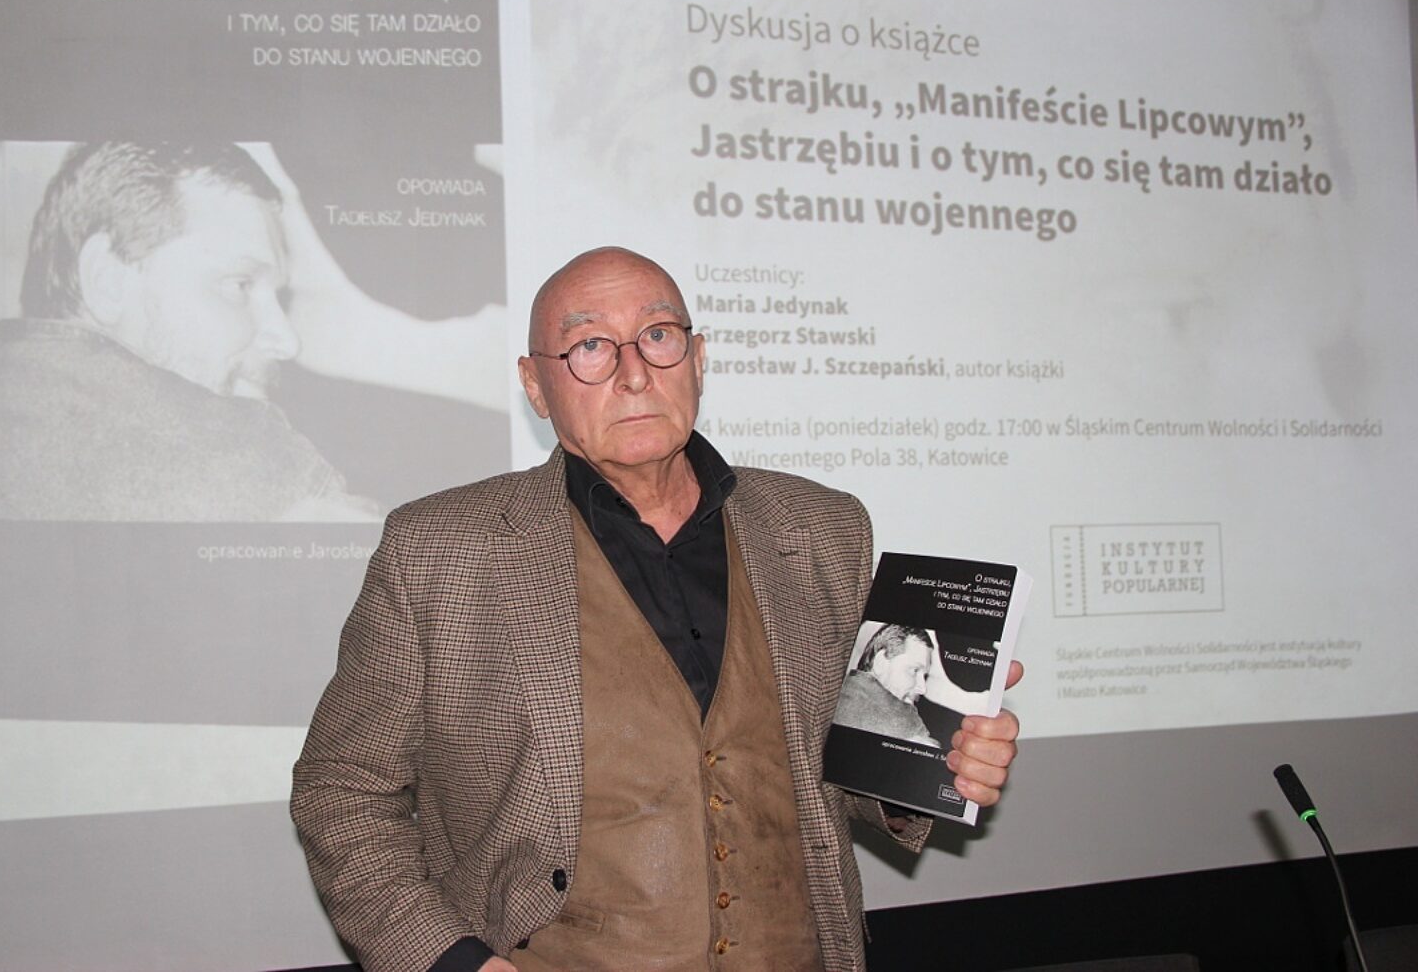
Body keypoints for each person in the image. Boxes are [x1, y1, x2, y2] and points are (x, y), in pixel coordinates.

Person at [291, 246, 1022, 971]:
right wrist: (452, 963)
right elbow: (342, 790)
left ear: (698, 360)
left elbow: (830, 764)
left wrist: (935, 762)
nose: (635, 373)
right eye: (589, 347)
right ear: (535, 386)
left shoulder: (822, 528)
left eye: (658, 336)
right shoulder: (438, 551)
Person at [0, 141, 379, 521]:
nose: (288, 342)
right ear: (107, 280)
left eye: (279, 298)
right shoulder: (256, 468)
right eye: (239, 285)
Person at [835, 624, 940, 748]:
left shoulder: (839, 698)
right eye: (914, 670)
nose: (922, 689)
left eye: (924, 676)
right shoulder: (905, 724)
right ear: (880, 664)